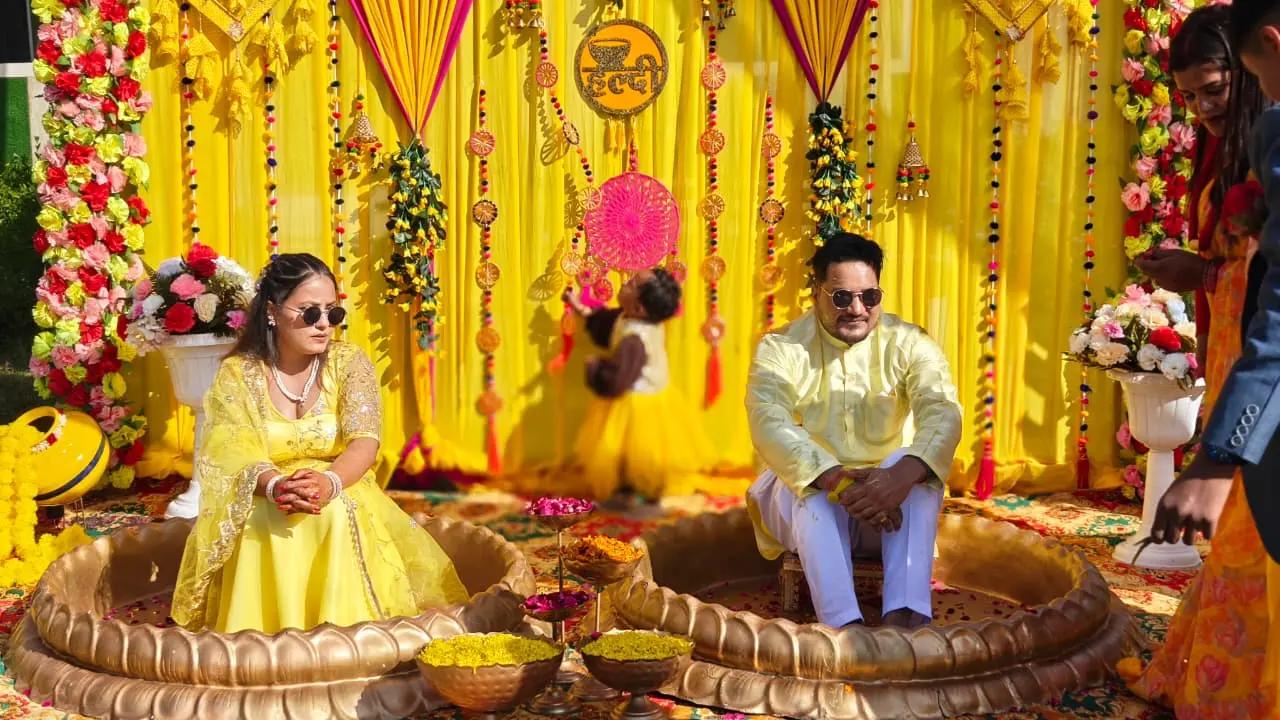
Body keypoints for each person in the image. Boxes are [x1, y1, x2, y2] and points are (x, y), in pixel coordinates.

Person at [170, 253, 469, 633]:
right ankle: (258, 638)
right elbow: (230, 447)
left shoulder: (349, 362)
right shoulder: (239, 372)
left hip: (341, 486)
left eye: (334, 313)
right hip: (266, 491)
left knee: (334, 514)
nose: (325, 325)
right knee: (263, 516)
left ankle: (343, 638)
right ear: (273, 312)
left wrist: (329, 483)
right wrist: (276, 485)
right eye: (311, 313)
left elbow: (365, 441)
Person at [1117, 7, 1275, 716]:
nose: (1203, 108)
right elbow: (1241, 268)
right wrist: (1201, 273)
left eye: (1213, 88)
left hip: (1264, 372)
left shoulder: (1269, 144)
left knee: (1251, 526)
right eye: (1188, 97)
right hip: (1239, 359)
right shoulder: (1234, 149)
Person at [744, 233, 962, 629]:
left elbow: (942, 411)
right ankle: (844, 629)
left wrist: (899, 477)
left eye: (870, 297)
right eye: (842, 297)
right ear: (817, 291)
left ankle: (905, 618)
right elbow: (768, 422)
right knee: (808, 488)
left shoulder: (910, 343)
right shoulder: (781, 347)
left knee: (917, 469)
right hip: (806, 512)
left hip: (886, 510)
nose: (857, 309)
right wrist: (836, 480)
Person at [564, 267, 719, 504]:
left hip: (638, 403)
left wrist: (595, 368)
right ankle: (633, 488)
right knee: (632, 453)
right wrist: (580, 308)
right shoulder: (630, 319)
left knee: (635, 454)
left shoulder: (635, 338)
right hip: (646, 398)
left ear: (638, 308)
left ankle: (635, 492)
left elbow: (618, 380)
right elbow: (608, 323)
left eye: (632, 284)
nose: (625, 282)